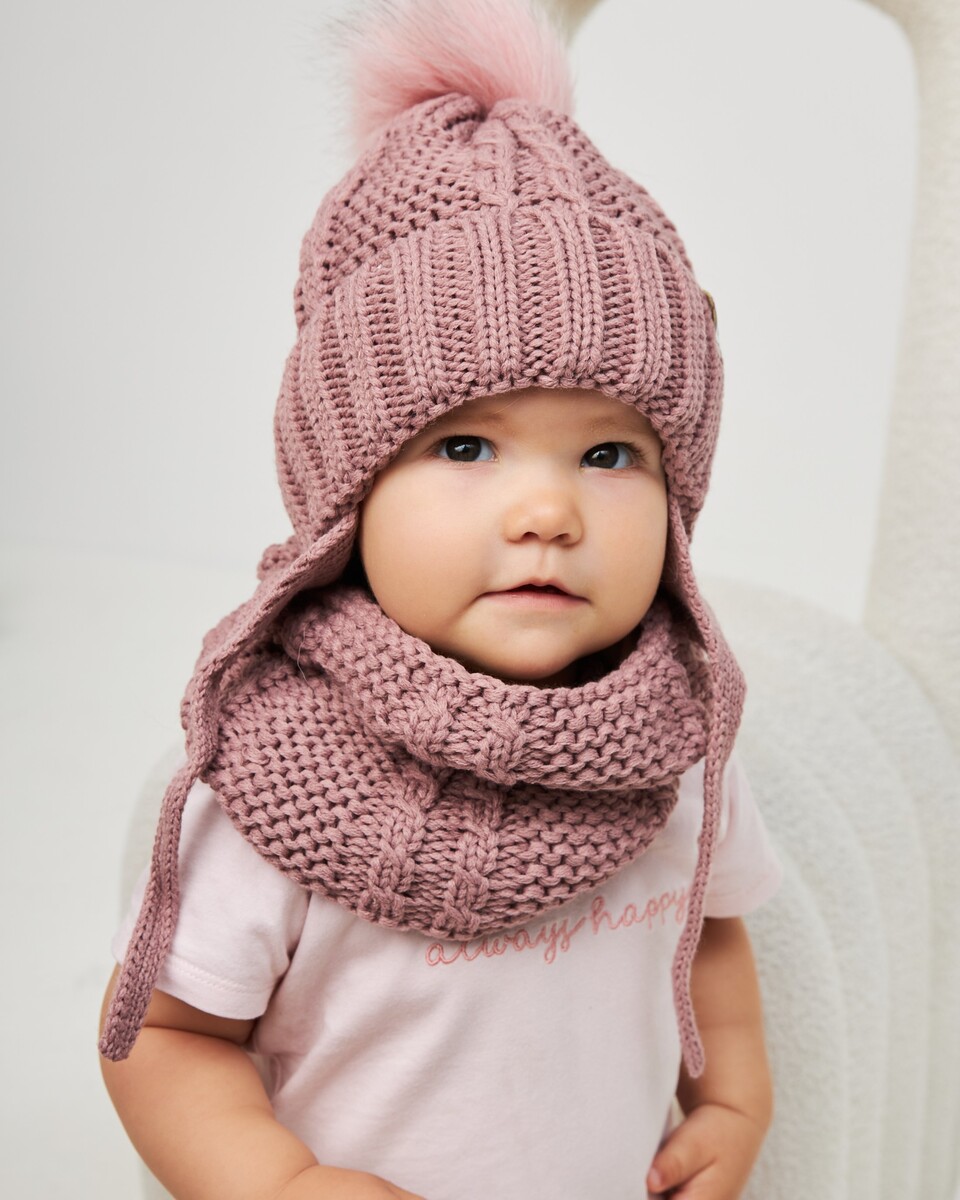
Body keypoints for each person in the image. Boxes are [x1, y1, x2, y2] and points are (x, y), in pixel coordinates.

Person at [99, 1, 782, 1197]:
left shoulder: (675, 742)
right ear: (346, 493)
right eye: (466, 448)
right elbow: (164, 1036)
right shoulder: (270, 777)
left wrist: (732, 1095)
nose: (548, 512)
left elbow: (710, 929)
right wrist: (279, 1184)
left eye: (609, 455)